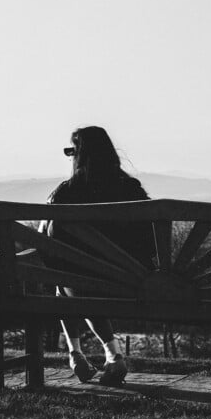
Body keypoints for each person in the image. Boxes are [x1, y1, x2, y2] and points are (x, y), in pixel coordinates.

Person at [45, 126, 154, 385]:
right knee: (80, 283)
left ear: (79, 155)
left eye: (72, 151)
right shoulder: (132, 189)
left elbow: (47, 241)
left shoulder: (66, 193)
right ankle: (110, 357)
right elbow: (150, 243)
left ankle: (78, 355)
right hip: (131, 286)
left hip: (83, 287)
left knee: (65, 286)